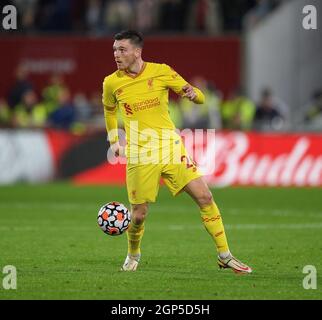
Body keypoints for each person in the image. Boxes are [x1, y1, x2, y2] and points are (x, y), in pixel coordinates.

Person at [102, 30, 252, 274]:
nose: (116, 55)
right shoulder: (112, 82)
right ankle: (133, 254)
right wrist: (113, 140)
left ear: (137, 51)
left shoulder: (161, 71)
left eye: (122, 50)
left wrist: (194, 95)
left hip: (171, 148)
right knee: (138, 214)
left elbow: (200, 97)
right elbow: (109, 111)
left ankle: (224, 255)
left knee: (205, 197)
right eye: (115, 50)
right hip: (141, 154)